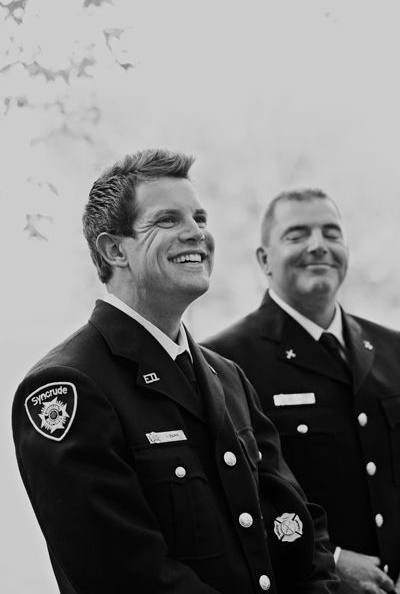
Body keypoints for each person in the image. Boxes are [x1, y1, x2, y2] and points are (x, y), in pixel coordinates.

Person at [12, 153, 338, 594]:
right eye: (168, 219)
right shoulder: (68, 386)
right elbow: (125, 574)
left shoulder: (227, 377)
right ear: (114, 249)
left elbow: (295, 522)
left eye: (200, 217)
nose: (197, 233)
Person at [201, 188, 400, 594]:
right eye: (297, 235)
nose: (318, 246)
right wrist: (334, 560)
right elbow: (232, 500)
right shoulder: (223, 361)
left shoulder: (393, 349)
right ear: (264, 259)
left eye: (331, 233)